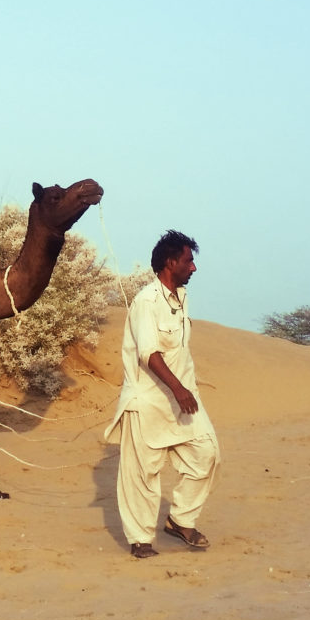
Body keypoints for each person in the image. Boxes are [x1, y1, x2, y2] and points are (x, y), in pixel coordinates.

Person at [104, 229, 218, 558]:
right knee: (143, 472)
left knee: (207, 454)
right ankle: (140, 540)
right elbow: (149, 355)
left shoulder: (180, 299)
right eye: (188, 261)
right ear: (170, 263)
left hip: (182, 399)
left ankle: (180, 520)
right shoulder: (146, 302)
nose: (193, 267)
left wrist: (183, 389)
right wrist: (178, 387)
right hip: (149, 401)